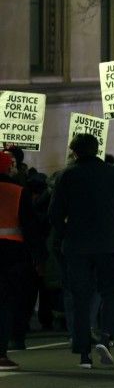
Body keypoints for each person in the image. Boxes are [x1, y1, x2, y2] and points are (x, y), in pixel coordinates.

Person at [49, 134, 114, 368]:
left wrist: (63, 234)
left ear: (75, 152)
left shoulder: (67, 176)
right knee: (110, 292)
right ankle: (105, 337)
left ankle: (84, 354)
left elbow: (54, 213)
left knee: (81, 297)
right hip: (108, 244)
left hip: (76, 246)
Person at [0, 151, 43, 371]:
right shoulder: (18, 192)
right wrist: (37, 255)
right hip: (12, 255)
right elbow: (30, 226)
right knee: (6, 303)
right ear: (8, 169)